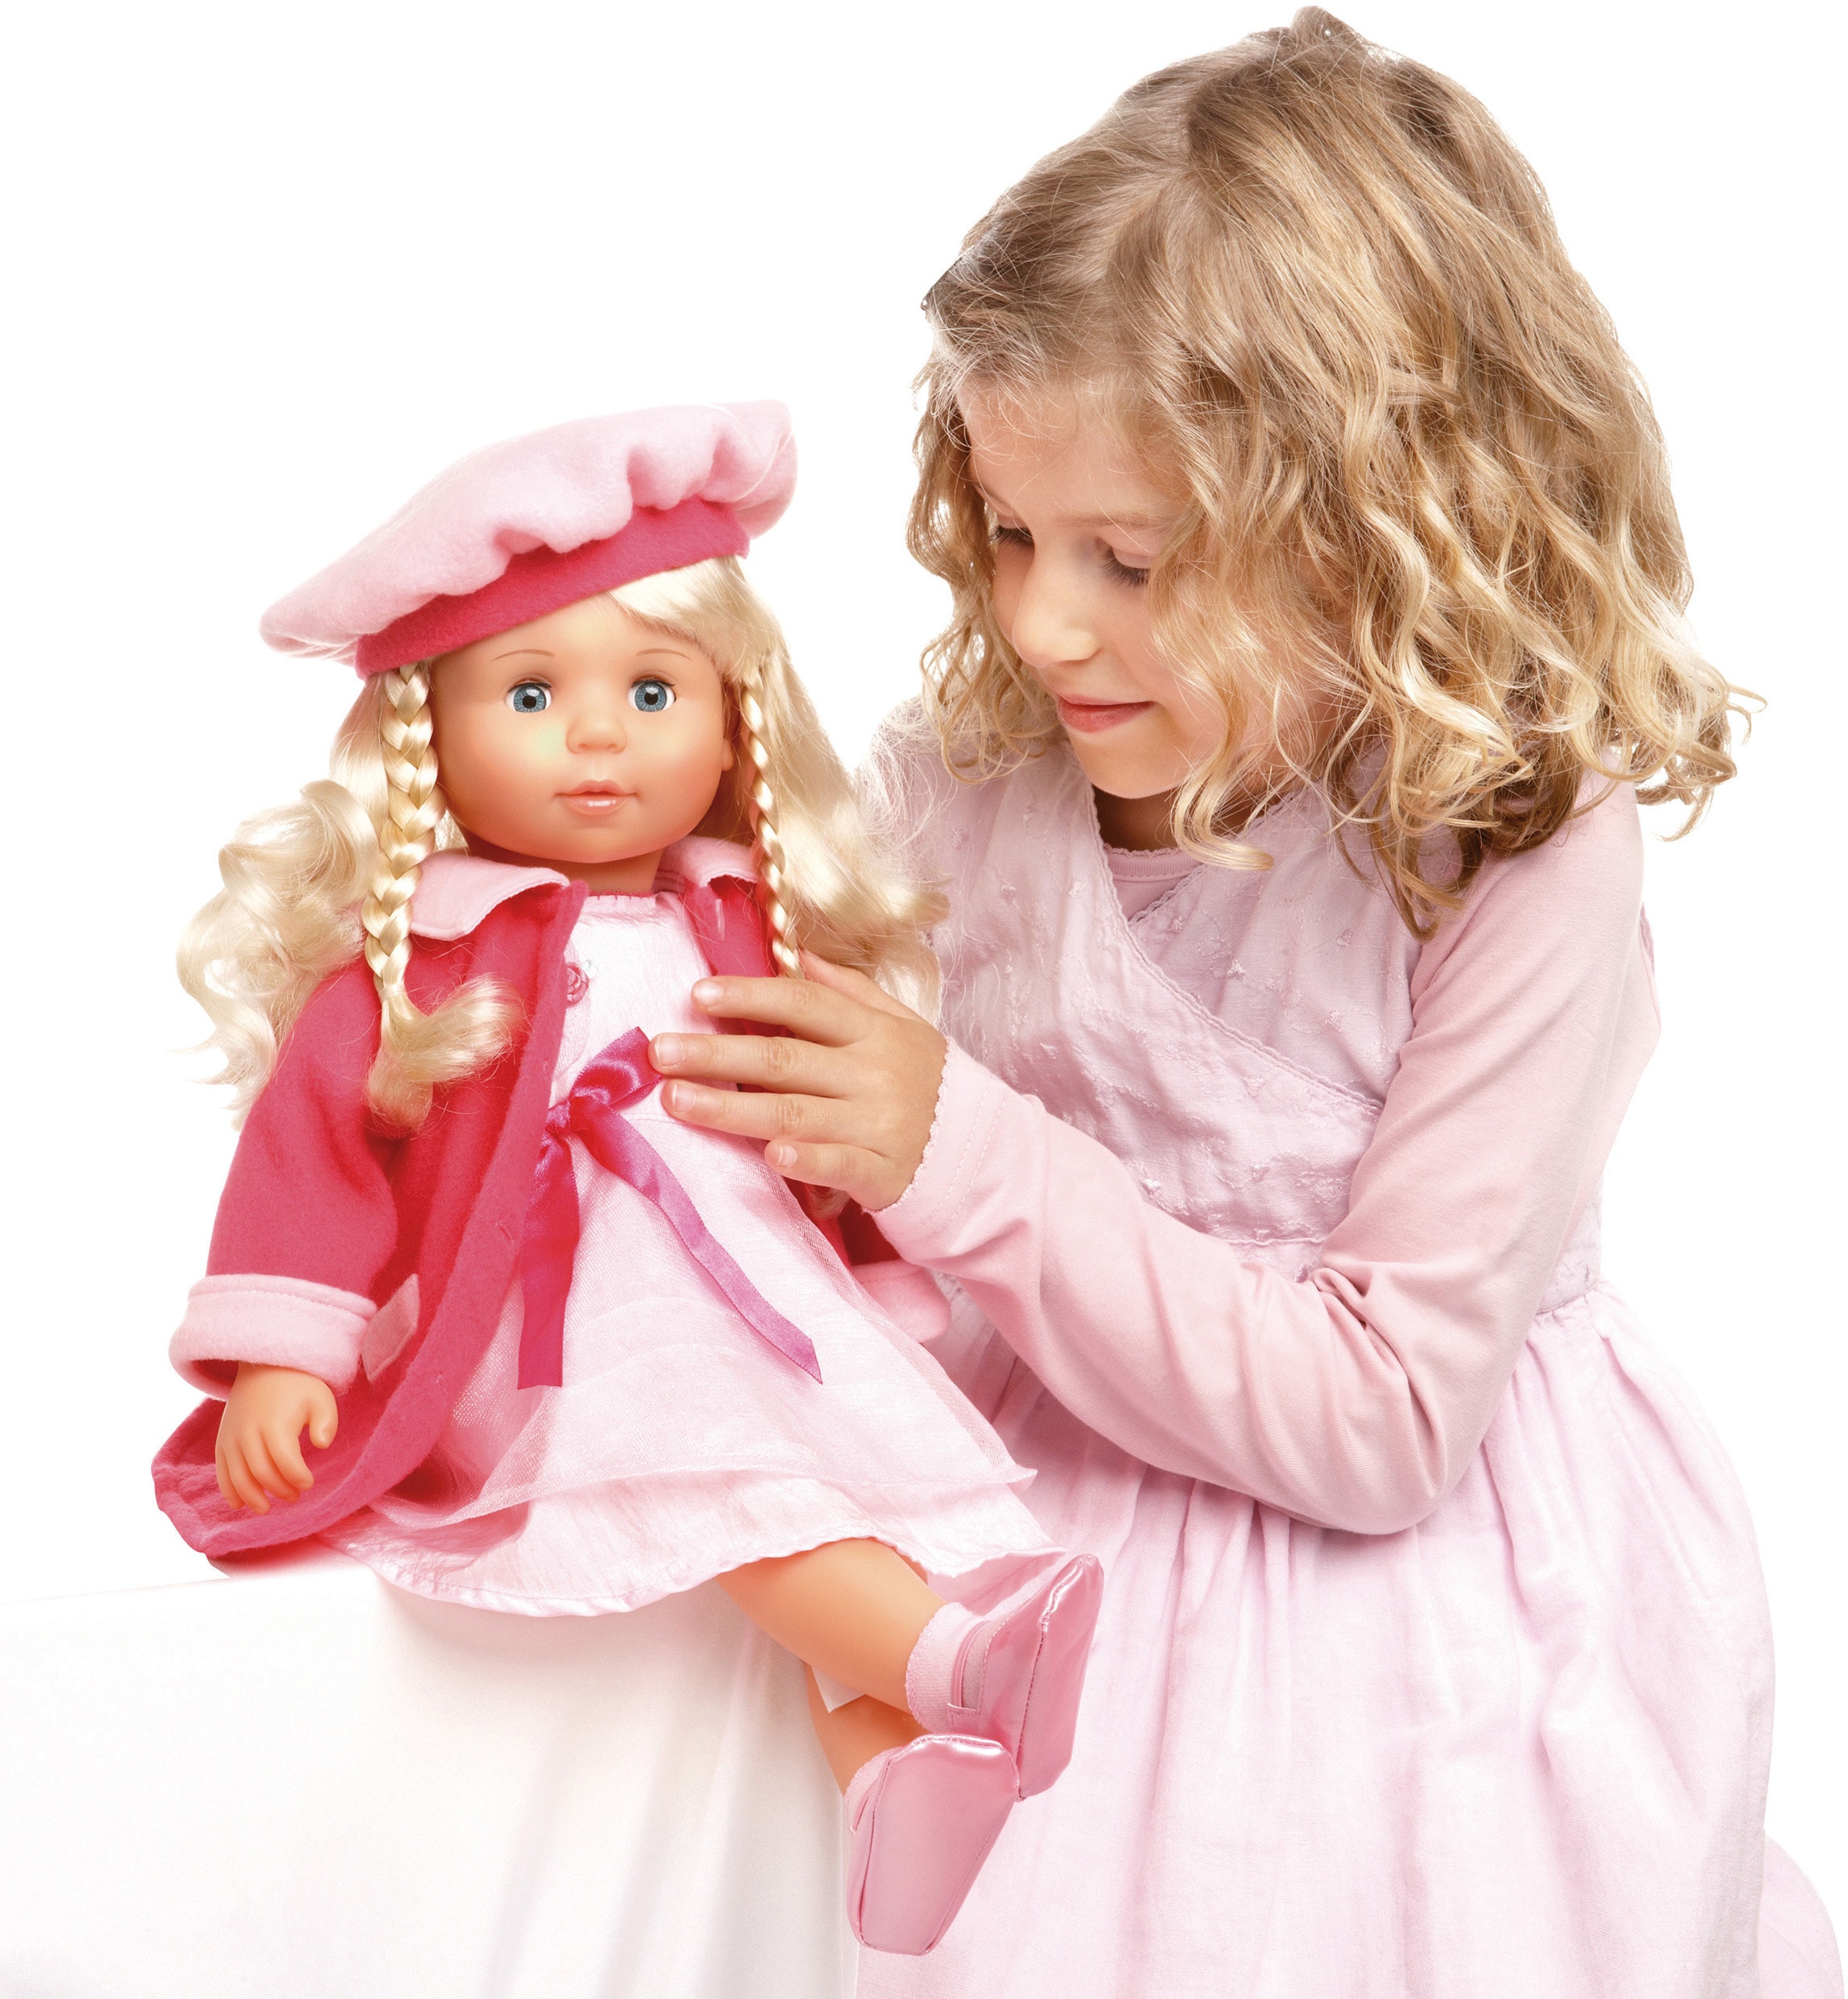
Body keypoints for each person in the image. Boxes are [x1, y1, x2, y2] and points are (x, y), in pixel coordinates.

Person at [646, 20, 1844, 1997]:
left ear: (1385, 533)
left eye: (1130, 561)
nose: (1040, 619)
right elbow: (821, 1176)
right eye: (1009, 532)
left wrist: (952, 1146)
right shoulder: (967, 781)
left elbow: (1383, 1420)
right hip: (1037, 1549)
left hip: (1416, 1618)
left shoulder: (1505, 851)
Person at [151, 402, 1101, 1960]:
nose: (598, 737)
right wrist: (285, 1355)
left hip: (751, 1308)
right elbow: (309, 1157)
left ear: (732, 722)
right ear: (429, 736)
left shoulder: (745, 927)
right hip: (547, 1342)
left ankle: (889, 1785)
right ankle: (951, 1664)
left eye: (652, 691)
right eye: (532, 694)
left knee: (826, 1476)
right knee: (747, 1483)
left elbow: (817, 1118)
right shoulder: (420, 965)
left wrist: (870, 1272)